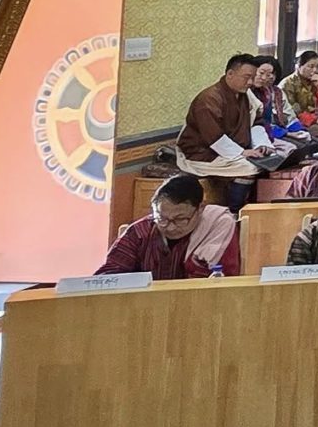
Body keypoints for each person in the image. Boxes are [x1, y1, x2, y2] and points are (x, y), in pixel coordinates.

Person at [176, 53, 279, 205]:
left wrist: (262, 145)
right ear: (230, 74)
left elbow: (255, 122)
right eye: (246, 77)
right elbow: (214, 137)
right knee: (249, 168)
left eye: (252, 77)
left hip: (233, 149)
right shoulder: (209, 99)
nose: (250, 82)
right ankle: (234, 210)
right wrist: (242, 152)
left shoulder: (245, 95)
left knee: (270, 160)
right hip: (203, 153)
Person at [97, 175, 240, 278]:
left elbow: (224, 280)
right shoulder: (139, 233)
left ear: (200, 209)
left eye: (180, 219)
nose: (170, 227)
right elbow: (108, 276)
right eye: (162, 218)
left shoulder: (215, 227)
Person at [281, 49, 318, 125]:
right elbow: (292, 111)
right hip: (300, 122)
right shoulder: (288, 83)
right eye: (310, 66)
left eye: (317, 67)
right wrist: (315, 120)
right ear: (300, 66)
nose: (315, 70)